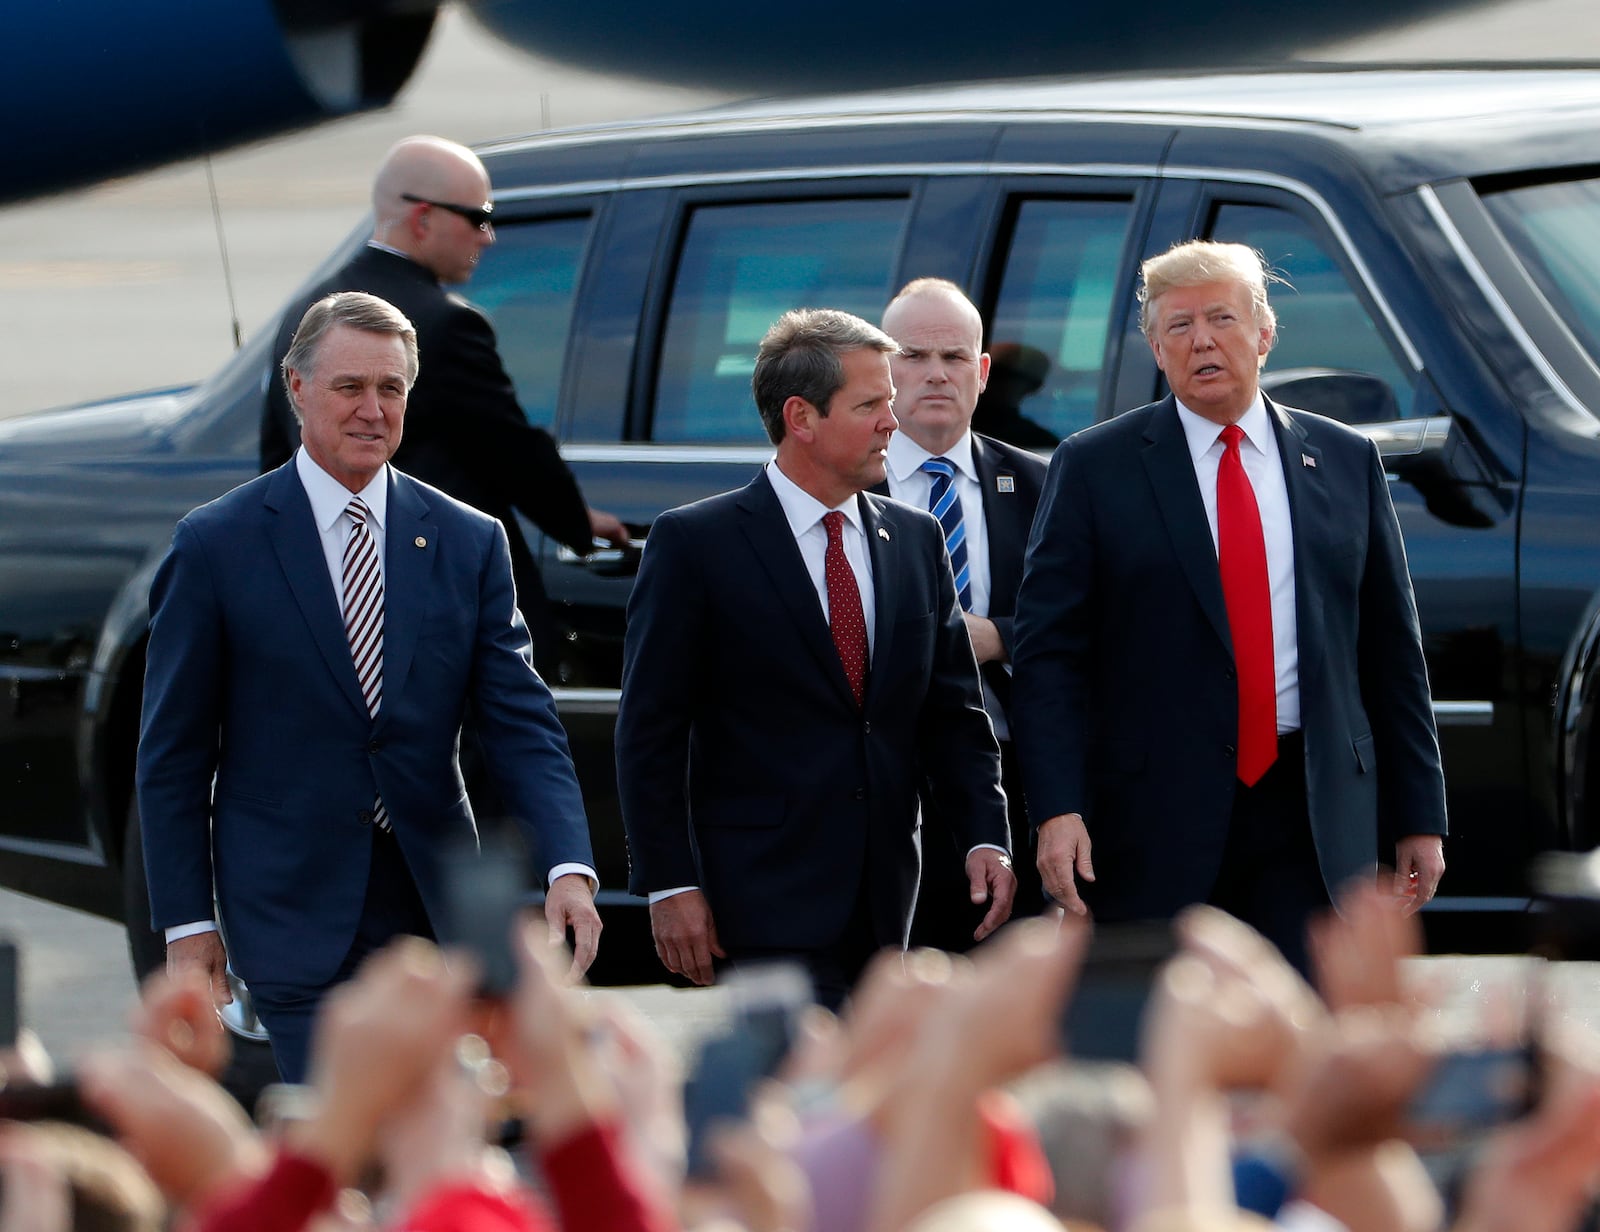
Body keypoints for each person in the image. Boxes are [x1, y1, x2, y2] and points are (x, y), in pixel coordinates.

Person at [138, 291, 601, 1082]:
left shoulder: (467, 539)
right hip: (290, 907)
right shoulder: (217, 545)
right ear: (296, 387)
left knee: (442, 1142)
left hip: (438, 906)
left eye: (390, 388)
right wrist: (186, 924)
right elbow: (174, 755)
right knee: (340, 1136)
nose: (372, 409)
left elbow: (520, 721)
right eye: (350, 386)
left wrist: (568, 865)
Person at [1012, 239, 1447, 972]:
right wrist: (1057, 810)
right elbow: (1048, 653)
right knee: (1158, 1047)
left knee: (1304, 1049)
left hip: (1309, 813)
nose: (1202, 340)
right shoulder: (1095, 467)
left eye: (1221, 318)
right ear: (1154, 346)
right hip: (1153, 820)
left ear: (1265, 332)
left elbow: (1391, 653)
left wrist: (1419, 816)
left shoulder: (1343, 460)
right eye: (1178, 327)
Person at [615, 308, 1015, 1010]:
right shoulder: (696, 545)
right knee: (789, 1109)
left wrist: (987, 835)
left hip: (889, 900)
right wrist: (669, 883)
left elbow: (954, 712)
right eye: (870, 405)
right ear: (801, 417)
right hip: (759, 902)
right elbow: (651, 731)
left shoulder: (916, 540)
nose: (893, 422)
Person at [258, 134, 626, 672]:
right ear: (424, 218)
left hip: (329, 597)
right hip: (435, 606)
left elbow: (277, 461)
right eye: (477, 217)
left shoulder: (303, 314)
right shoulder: (448, 324)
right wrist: (577, 523)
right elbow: (510, 450)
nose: (489, 235)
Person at [876, 278, 1051, 948]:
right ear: (883, 370)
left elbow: (1087, 625)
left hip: (1007, 779)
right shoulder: (836, 484)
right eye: (914, 357)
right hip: (880, 781)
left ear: (982, 373)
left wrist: (998, 638)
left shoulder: (1039, 485)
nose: (935, 375)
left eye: (953, 359)